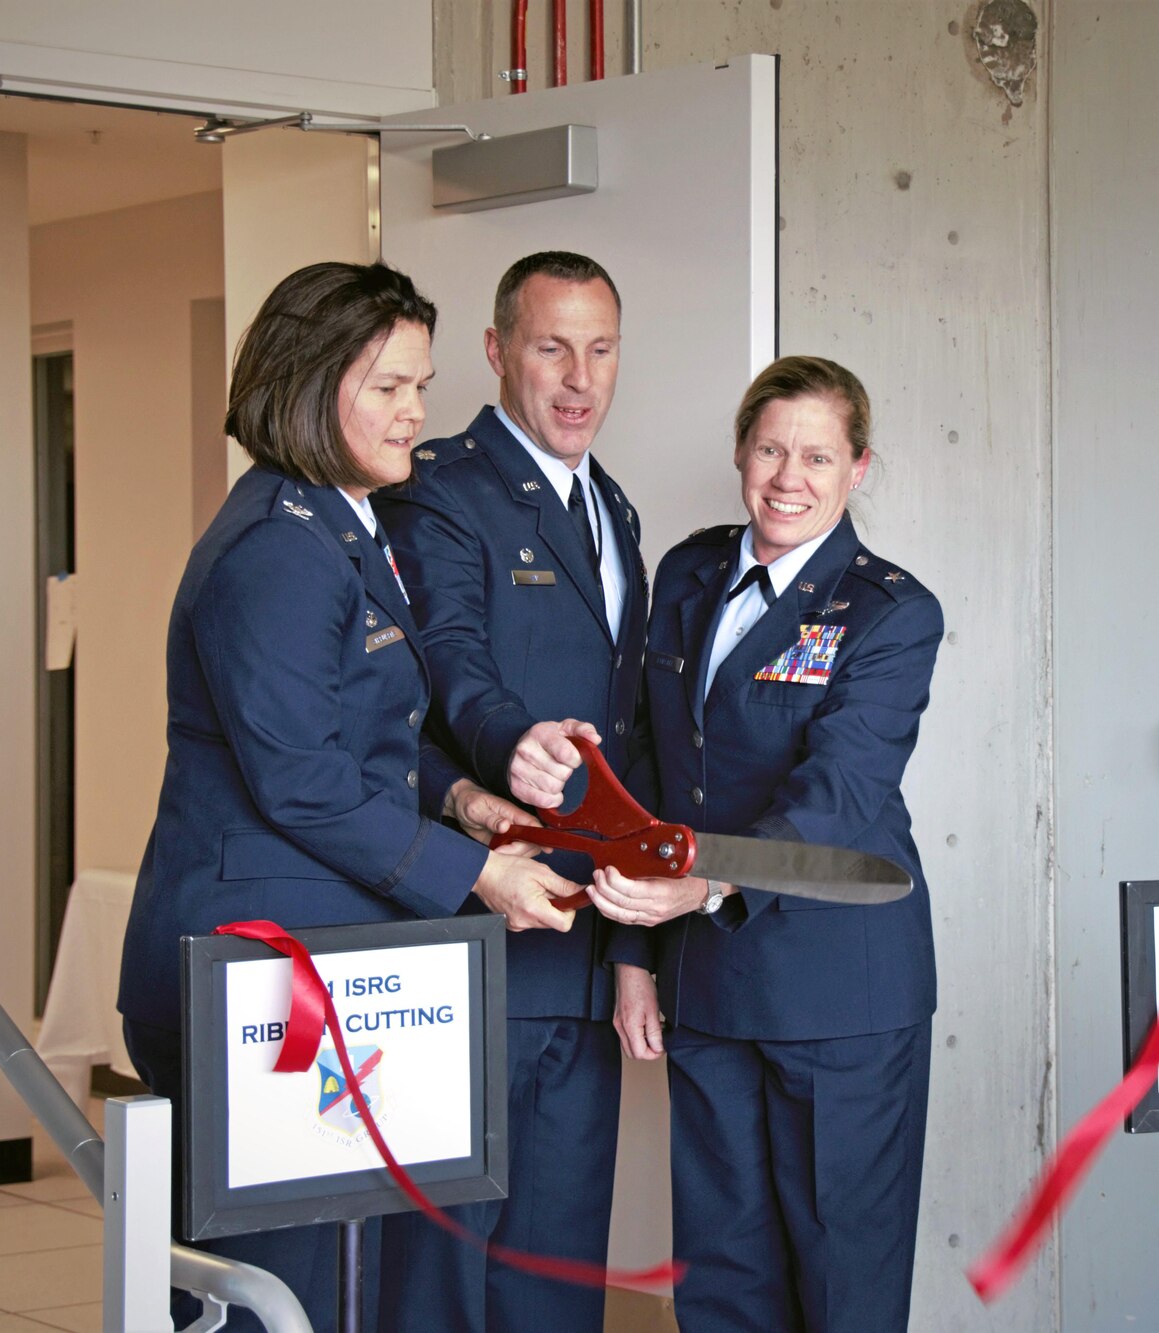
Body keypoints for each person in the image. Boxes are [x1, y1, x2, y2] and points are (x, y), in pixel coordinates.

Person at [116, 261, 579, 1330]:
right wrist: (481, 873)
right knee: (276, 1290)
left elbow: (357, 729)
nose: (414, 412)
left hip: (312, 960)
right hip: (255, 970)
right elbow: (303, 778)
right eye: (386, 387)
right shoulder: (281, 549)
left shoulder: (338, 527)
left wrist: (462, 798)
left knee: (339, 1277)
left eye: (419, 385)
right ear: (310, 380)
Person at [588, 356, 945, 1332]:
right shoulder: (690, 571)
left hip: (840, 991)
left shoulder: (889, 610)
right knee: (719, 1283)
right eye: (770, 448)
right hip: (705, 984)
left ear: (857, 468)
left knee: (841, 1287)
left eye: (817, 456)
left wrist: (698, 884)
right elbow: (650, 774)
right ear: (740, 452)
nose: (789, 477)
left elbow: (836, 794)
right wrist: (630, 956)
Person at [374, 251, 652, 1332]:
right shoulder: (442, 490)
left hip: (583, 934)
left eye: (600, 347)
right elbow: (447, 659)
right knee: (447, 1263)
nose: (578, 376)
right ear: (495, 353)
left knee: (556, 1259)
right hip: (482, 924)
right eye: (550, 346)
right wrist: (510, 746)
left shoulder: (610, 505)